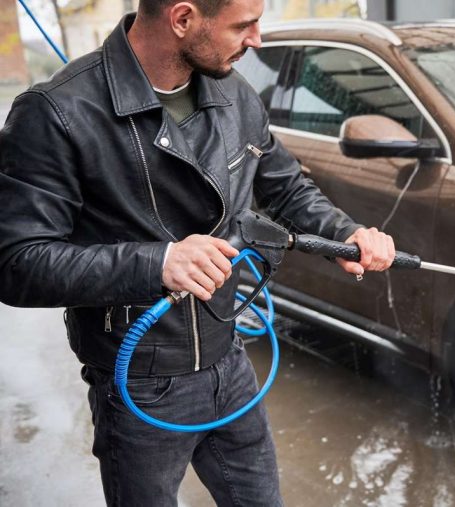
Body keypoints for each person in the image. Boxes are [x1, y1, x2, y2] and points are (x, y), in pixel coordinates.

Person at [0, 0, 395, 505]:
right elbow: (18, 264)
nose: (257, 40)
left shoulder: (233, 89)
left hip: (228, 356)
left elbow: (287, 187)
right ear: (183, 19)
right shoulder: (58, 110)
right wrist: (158, 262)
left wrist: (348, 232)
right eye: (244, 25)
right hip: (139, 379)